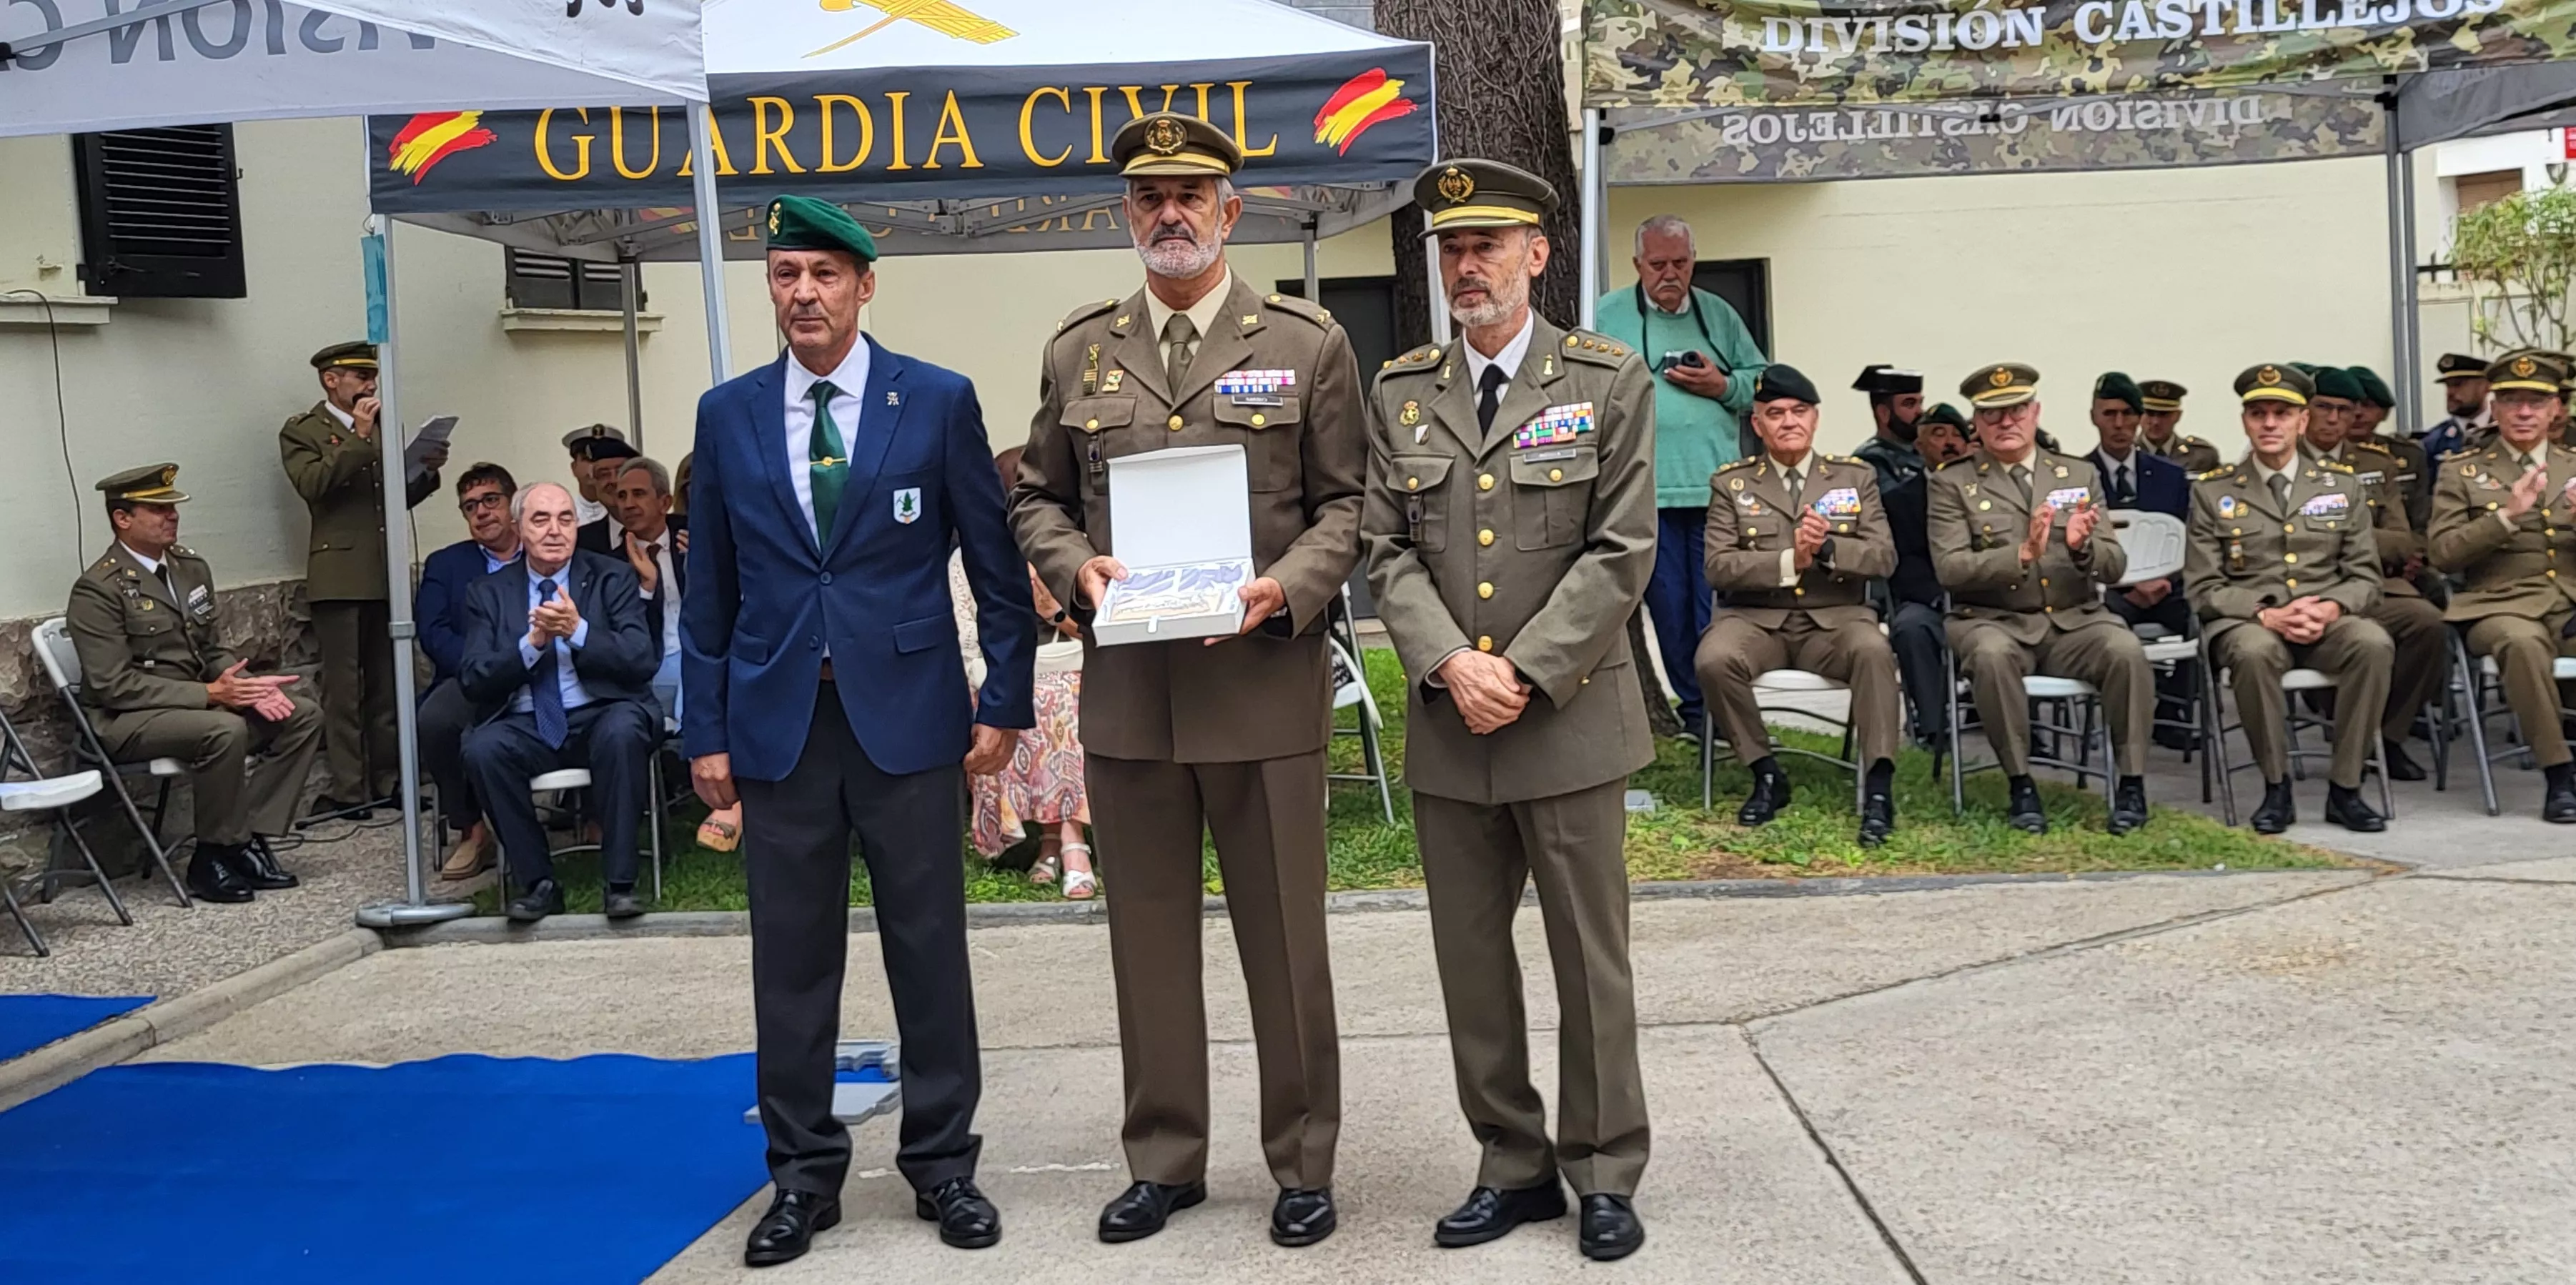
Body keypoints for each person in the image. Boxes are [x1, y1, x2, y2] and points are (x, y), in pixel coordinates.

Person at [1010, 112, 1360, 1251]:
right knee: (1147, 943)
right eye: (1149, 196)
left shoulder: (1307, 342)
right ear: (1127, 212)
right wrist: (1076, 567)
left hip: (1260, 683)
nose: (1169, 213)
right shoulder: (1080, 349)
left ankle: (1301, 1159)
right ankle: (1164, 1158)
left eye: (1190, 195)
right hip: (1134, 698)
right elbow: (1037, 496)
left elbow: (1349, 505)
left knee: (1285, 941)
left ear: (1229, 209)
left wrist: (1284, 587)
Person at [687, 194, 1033, 1264]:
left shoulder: (934, 399)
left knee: (928, 950)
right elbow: (709, 590)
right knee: (791, 963)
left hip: (911, 721)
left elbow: (994, 564)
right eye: (786, 274)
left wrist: (1004, 699)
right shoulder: (728, 413)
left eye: (825, 274)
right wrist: (705, 729)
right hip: (779, 726)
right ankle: (801, 1177)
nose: (804, 294)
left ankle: (943, 1165)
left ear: (865, 285)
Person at [1362, 158, 1654, 1263]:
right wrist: (1448, 661)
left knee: (1590, 962)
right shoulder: (1402, 391)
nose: (1466, 266)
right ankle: (1513, 1162)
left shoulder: (1607, 380)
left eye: (1486, 245)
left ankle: (1604, 1168)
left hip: (1566, 721)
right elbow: (1386, 547)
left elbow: (1621, 549)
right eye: (1451, 248)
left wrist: (1521, 672)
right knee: (1473, 966)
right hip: (1453, 727)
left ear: (1537, 253)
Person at [66, 464, 321, 904]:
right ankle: (212, 856)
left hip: (195, 705)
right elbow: (114, 685)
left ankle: (246, 839)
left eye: (173, 507)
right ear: (122, 518)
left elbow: (209, 648)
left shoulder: (189, 568)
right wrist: (210, 695)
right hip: (126, 720)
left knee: (302, 715)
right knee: (225, 729)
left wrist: (244, 685)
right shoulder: (98, 589)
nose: (172, 515)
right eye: (157, 509)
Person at [1931, 363, 2151, 835]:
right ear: (1977, 422)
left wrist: (2082, 548)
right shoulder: (1952, 483)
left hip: (2074, 619)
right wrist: (2023, 553)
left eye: (2016, 411)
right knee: (1990, 657)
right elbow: (1950, 569)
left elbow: (2115, 566)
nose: (2006, 422)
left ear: (2035, 412)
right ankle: (2021, 783)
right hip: (1993, 619)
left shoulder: (2078, 474)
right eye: (1993, 414)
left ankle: (2131, 784)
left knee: (2126, 651)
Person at [1698, 364, 1901, 845]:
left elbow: (1883, 557)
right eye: (1775, 413)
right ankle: (1766, 772)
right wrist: (1792, 560)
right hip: (1756, 620)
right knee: (1713, 659)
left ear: (1815, 418)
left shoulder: (1855, 477)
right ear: (1757, 424)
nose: (1789, 421)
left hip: (1836, 621)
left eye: (1799, 411)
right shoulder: (1732, 484)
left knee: (1874, 651)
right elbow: (1718, 566)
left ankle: (1878, 786)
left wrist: (1827, 549)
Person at [2184, 365, 2392, 834]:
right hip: (2250, 622)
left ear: (2303, 421)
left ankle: (2347, 788)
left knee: (2373, 644)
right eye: (2258, 414)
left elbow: (2365, 576)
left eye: (2282, 413)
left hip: (2326, 620)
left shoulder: (2342, 485)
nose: (2270, 424)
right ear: (2245, 422)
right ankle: (2276, 788)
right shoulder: (2213, 491)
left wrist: (2330, 608)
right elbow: (2202, 587)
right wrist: (2266, 614)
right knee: (2254, 653)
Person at [1593, 214, 1768, 742]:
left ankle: (1727, 705)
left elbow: (1764, 384)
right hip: (1647, 491)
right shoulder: (1606, 315)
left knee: (1716, 607)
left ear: (1693, 261)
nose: (1670, 274)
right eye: (1658, 264)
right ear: (1637, 265)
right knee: (1668, 607)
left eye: (1680, 263)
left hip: (1717, 491)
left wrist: (1722, 386)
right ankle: (1697, 713)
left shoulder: (1718, 314)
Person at [457, 481, 659, 922]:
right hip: (527, 721)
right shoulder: (488, 592)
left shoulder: (612, 577)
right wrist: (531, 645)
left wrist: (578, 631)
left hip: (600, 711)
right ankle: (539, 884)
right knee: (482, 749)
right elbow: (473, 677)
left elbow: (640, 659)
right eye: (541, 519)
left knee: (624, 731)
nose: (555, 530)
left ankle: (621, 885)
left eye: (565, 519)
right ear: (518, 528)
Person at [278, 340, 442, 818]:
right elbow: (313, 485)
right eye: (360, 376)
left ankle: (389, 781)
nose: (371, 385)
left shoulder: (382, 426)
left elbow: (390, 498)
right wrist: (359, 435)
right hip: (339, 574)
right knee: (345, 690)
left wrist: (425, 471)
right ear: (331, 381)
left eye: (373, 376)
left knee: (387, 683)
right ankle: (350, 792)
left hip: (382, 570)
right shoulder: (303, 430)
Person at [2428, 350, 2576, 823]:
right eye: (2513, 401)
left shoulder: (2573, 464)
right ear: (2495, 407)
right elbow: (2443, 554)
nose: (2525, 412)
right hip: (2498, 605)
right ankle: (2559, 775)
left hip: (2568, 603)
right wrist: (2506, 517)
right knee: (2521, 644)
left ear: (2556, 409)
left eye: (2537, 402)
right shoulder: (2462, 470)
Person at [956, 447, 1094, 898]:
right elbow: (967, 642)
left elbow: (1097, 636)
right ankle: (1068, 842)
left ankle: (1058, 841)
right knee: (1031, 700)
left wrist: (1054, 612)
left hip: (1072, 667)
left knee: (1062, 697)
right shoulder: (967, 559)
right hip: (1001, 680)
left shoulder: (1072, 554)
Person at [2296, 368, 2444, 781]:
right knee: (2348, 637)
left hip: (2372, 584)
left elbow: (2401, 542)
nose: (2333, 419)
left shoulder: (2376, 465)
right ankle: (2347, 732)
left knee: (2428, 625)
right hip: (2303, 589)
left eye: (2344, 410)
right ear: (2304, 412)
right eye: (2323, 407)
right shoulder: (2281, 461)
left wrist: (2335, 526)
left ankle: (2388, 737)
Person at [417, 463, 524, 880]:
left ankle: (592, 818)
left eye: (491, 500)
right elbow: (433, 632)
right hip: (472, 676)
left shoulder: (542, 549)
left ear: (513, 503)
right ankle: (473, 831)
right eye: (470, 506)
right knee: (435, 720)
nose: (481, 512)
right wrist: (485, 667)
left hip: (543, 670)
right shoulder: (446, 564)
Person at [2086, 372, 2195, 748]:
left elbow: (2188, 539)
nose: (2119, 424)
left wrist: (2165, 581)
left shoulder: (2171, 476)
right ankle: (2120, 721)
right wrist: (2125, 589)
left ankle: (2172, 711)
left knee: (2209, 621)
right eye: (2110, 414)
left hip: (2165, 587)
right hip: (2108, 594)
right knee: (2095, 629)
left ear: (2139, 418)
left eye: (2128, 414)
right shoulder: (2076, 476)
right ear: (2094, 417)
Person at [1883, 403, 1973, 747]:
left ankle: (2028, 731)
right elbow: (1902, 564)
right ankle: (1934, 729)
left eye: (1957, 435)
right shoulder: (1899, 501)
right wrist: (1940, 595)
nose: (1950, 442)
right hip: (1931, 601)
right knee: (1910, 627)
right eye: (1939, 434)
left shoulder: (1991, 493)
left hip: (1986, 599)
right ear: (1919, 446)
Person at [608, 456, 688, 723]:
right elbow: (621, 634)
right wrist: (647, 588)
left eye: (639, 494)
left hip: (701, 659)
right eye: (622, 496)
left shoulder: (693, 540)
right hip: (651, 671)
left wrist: (702, 566)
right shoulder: (611, 565)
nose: (628, 504)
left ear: (665, 502)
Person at [2348, 366, 2431, 530]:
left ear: (2385, 413)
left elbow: (2422, 521)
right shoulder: (2319, 455)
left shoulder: (2408, 455)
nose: (2358, 413)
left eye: (2368, 405)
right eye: (2350, 406)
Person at [2138, 379, 2221, 475]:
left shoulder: (2201, 456)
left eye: (2164, 414)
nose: (2156, 422)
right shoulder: (2127, 454)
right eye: (2150, 413)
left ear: (2178, 416)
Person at [2422, 352, 2491, 464]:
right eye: (2448, 385)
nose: (2450, 393)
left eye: (2458, 384)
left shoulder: (2507, 433)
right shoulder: (2433, 442)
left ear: (2486, 387)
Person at [578, 436, 642, 553]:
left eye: (621, 472)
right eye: (603, 474)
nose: (613, 481)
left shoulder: (675, 531)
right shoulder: (581, 542)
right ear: (594, 483)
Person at [560, 424, 626, 527]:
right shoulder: (562, 518)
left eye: (602, 460)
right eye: (588, 460)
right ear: (574, 467)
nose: (595, 467)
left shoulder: (629, 514)